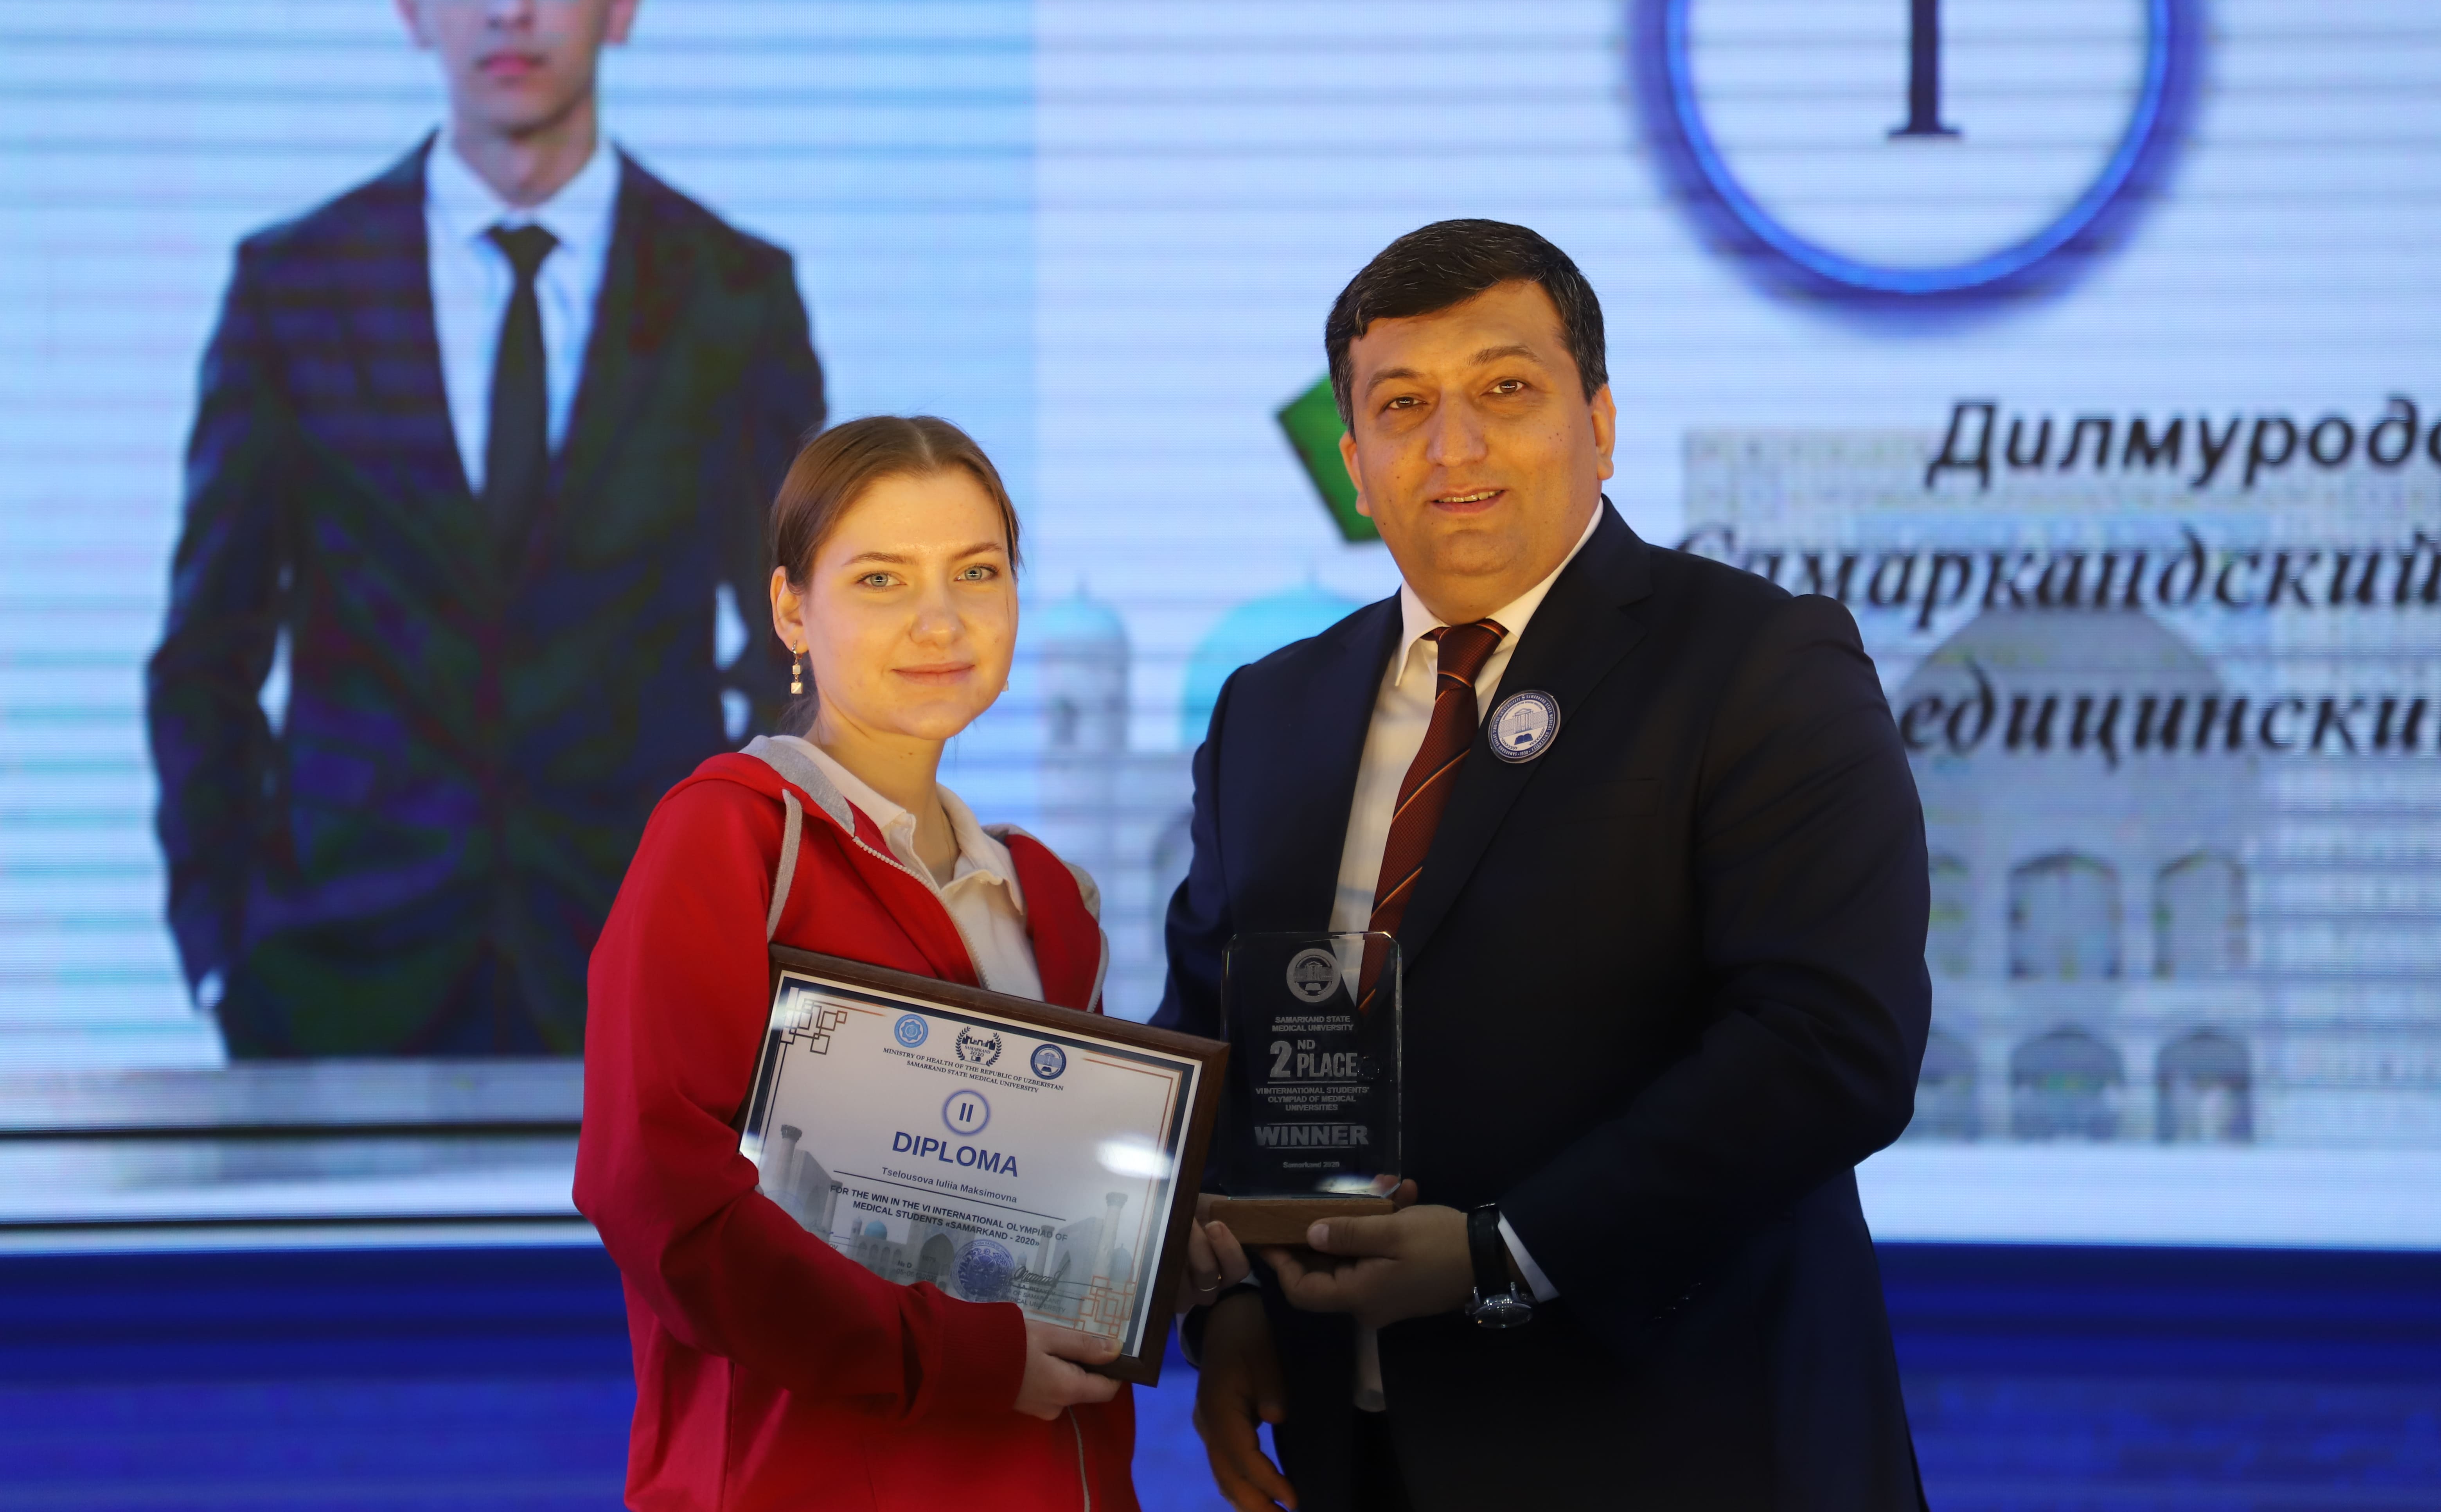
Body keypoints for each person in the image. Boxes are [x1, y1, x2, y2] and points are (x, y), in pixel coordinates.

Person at [1156, 220, 1932, 1510]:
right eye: (1403, 406)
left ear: (1601, 423)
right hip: (1357, 1457)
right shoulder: (1269, 712)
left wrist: (1502, 1252)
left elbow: (1830, 1045)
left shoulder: (1759, 661)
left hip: (1689, 1456)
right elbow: (1213, 1042)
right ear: (1355, 468)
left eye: (1506, 390)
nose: (1453, 446)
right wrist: (1226, 1301)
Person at [145, 0, 823, 1055]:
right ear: (411, 3)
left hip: (648, 962)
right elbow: (210, 650)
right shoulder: (294, 287)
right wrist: (222, 954)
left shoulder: (734, 293)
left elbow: (799, 646)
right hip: (335, 970)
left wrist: (751, 920)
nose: (509, 3)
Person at [577, 416, 1152, 1510]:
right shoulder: (731, 838)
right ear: (792, 608)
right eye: (882, 579)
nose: (942, 620)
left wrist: (1178, 1241)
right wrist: (957, 1358)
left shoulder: (1051, 898)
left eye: (978, 572)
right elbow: (655, 1194)